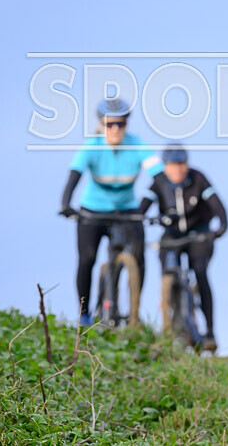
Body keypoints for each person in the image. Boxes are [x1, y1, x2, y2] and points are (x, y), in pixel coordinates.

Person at [59, 98, 169, 326]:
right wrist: (65, 203)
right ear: (101, 125)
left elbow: (160, 178)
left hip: (127, 210)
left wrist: (170, 209)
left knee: (139, 257)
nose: (116, 129)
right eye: (110, 124)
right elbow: (74, 175)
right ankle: (85, 314)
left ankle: (134, 313)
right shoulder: (91, 147)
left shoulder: (137, 145)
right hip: (93, 211)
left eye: (121, 124)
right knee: (87, 259)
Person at [139, 145, 227, 352]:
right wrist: (135, 219)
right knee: (167, 271)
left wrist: (221, 227)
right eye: (173, 166)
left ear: (186, 165)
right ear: (166, 167)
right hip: (172, 234)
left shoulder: (198, 179)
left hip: (199, 233)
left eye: (181, 165)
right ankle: (170, 321)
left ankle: (210, 331)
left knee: (200, 272)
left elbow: (218, 205)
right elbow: (142, 207)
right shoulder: (159, 183)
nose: (178, 170)